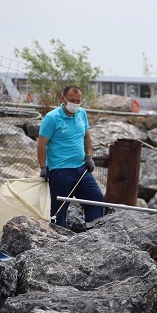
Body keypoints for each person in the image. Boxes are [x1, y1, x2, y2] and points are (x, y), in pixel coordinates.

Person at [37, 85, 104, 229]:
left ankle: (94, 232)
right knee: (59, 209)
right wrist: (43, 167)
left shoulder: (82, 114)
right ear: (63, 98)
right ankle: (58, 238)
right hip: (60, 170)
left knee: (96, 198)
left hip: (81, 168)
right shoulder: (52, 118)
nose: (75, 103)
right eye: (72, 100)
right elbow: (41, 144)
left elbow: (87, 137)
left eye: (78, 100)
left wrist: (89, 157)